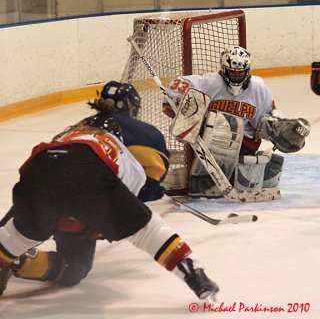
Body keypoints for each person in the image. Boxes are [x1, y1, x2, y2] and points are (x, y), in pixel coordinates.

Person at [0, 106, 219, 301]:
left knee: (22, 239)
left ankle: (20, 264)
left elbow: (12, 234)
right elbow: (148, 232)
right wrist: (195, 274)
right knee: (84, 261)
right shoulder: (127, 166)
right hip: (83, 172)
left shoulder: (74, 131)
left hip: (38, 167)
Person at [0, 81, 174, 294]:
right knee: (74, 267)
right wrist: (151, 192)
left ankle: (11, 256)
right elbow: (150, 181)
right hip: (85, 198)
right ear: (132, 107)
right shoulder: (143, 133)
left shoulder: (77, 127)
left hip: (39, 183)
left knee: (12, 232)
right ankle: (26, 264)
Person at [164, 46, 309, 197]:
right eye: (232, 72)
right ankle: (205, 177)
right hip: (209, 143)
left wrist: (278, 128)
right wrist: (180, 103)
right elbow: (178, 85)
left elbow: (265, 121)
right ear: (223, 70)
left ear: (247, 70)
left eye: (240, 72)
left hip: (242, 143)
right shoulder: (210, 83)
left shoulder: (258, 88)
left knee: (249, 176)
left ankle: (222, 176)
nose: (236, 76)